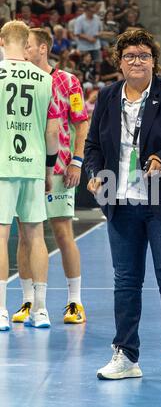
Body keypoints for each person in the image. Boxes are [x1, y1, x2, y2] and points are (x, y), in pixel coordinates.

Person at [84, 29, 161, 385]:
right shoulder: (107, 97)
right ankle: (125, 354)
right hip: (121, 201)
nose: (137, 61)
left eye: (143, 55)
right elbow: (93, 146)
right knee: (125, 282)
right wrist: (93, 173)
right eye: (130, 56)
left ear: (154, 60)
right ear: (119, 62)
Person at [13, 28, 89, 325]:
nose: (25, 51)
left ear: (42, 48)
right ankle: (28, 300)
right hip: (27, 169)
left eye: (28, 46)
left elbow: (81, 124)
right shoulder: (20, 82)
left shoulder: (68, 81)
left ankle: (75, 301)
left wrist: (77, 161)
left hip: (60, 170)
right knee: (26, 236)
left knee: (62, 233)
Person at [0, 20, 60, 331]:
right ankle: (40, 310)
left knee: (1, 236)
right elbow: (53, 133)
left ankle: (0, 310)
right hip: (34, 166)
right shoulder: (45, 79)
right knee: (36, 237)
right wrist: (49, 170)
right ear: (26, 45)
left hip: (2, 166)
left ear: (1, 41)